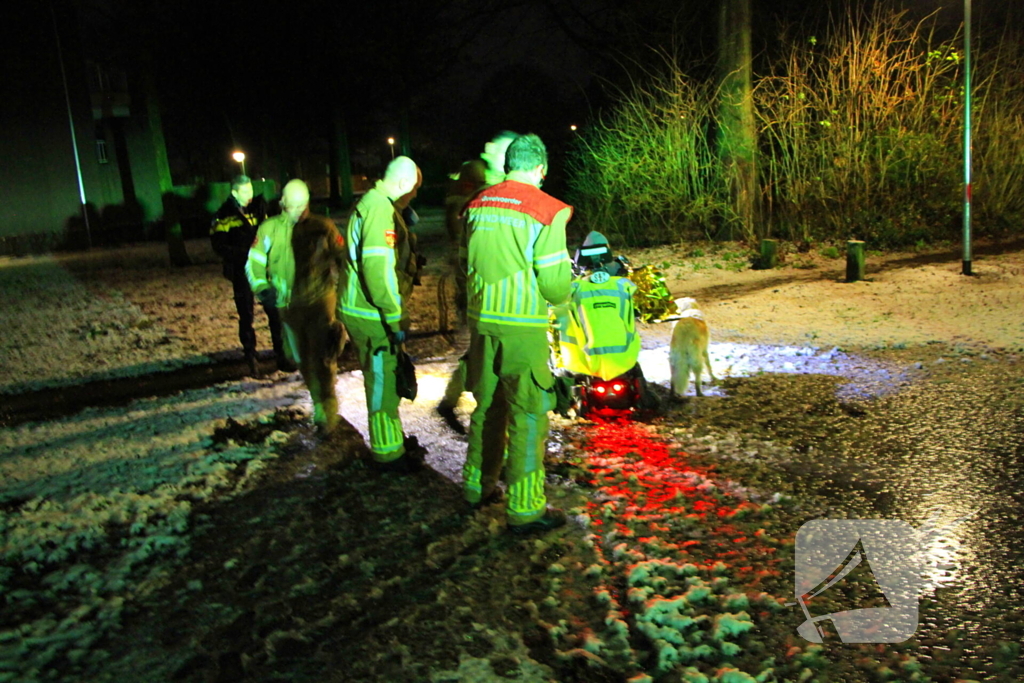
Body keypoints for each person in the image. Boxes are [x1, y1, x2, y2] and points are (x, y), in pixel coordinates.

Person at [462, 133, 573, 534]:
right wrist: (568, 295)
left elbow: (465, 260)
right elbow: (556, 284)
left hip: (481, 323)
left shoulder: (477, 203)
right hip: (521, 327)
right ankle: (525, 509)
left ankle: (477, 486)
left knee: (487, 406)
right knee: (528, 415)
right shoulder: (547, 209)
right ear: (540, 168)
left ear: (510, 165)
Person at [340, 156, 426, 472]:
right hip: (370, 313)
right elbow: (379, 272)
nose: (415, 194)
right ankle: (388, 455)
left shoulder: (373, 204)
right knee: (382, 382)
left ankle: (391, 441)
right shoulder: (378, 211)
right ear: (403, 183)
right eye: (414, 188)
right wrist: (394, 315)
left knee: (384, 378)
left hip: (362, 309)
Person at [246, 179, 346, 435]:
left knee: (322, 358)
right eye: (293, 206)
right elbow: (254, 262)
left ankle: (327, 408)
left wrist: (345, 294)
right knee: (301, 358)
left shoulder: (323, 226)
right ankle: (318, 399)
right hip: (289, 306)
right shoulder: (269, 229)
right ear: (283, 204)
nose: (299, 211)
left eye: (302, 205)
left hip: (321, 301)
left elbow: (343, 257)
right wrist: (262, 287)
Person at [436, 130, 518, 433]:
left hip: (485, 285)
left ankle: (453, 399)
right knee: (483, 348)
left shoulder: (493, 185)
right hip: (478, 286)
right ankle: (480, 408)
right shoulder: (479, 186)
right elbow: (461, 232)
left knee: (482, 348)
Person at [211, 175, 290, 376]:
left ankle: (281, 355)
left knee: (274, 312)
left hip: (262, 270)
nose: (250, 195)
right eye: (245, 192)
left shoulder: (258, 209)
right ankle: (250, 357)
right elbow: (219, 246)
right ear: (234, 192)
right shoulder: (223, 216)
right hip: (241, 271)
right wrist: (245, 254)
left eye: (251, 190)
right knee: (246, 315)